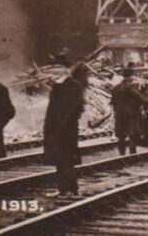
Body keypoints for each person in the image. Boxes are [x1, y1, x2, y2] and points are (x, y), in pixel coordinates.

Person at [44, 61, 88, 197]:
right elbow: (51, 111)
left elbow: (77, 108)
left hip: (67, 130)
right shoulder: (57, 88)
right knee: (59, 160)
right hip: (55, 129)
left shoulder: (74, 86)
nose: (54, 76)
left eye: (57, 73)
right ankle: (62, 188)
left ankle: (71, 189)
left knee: (67, 160)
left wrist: (63, 125)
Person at [110, 67, 143, 155]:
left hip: (119, 114)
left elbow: (112, 102)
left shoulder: (115, 88)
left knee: (121, 135)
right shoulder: (133, 88)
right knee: (132, 135)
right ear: (131, 76)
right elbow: (140, 100)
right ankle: (132, 154)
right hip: (131, 114)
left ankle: (122, 154)